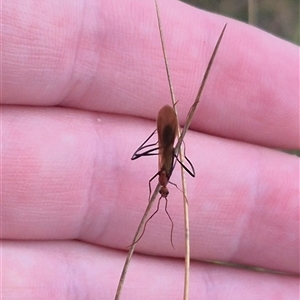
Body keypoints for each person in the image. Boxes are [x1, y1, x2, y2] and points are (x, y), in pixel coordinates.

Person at [2, 0, 299, 298]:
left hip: (166, 144)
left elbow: (176, 168)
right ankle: (163, 139)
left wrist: (170, 152)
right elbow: (177, 168)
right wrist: (170, 151)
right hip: (166, 143)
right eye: (164, 191)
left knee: (166, 160)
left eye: (163, 191)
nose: (163, 191)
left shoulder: (161, 177)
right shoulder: (161, 177)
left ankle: (164, 140)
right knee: (164, 160)